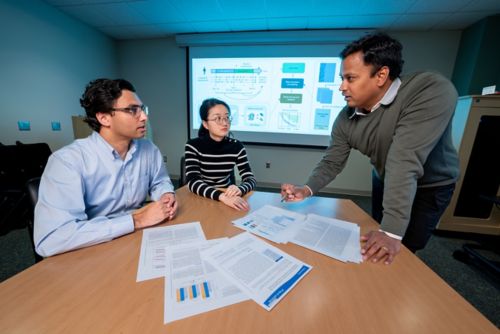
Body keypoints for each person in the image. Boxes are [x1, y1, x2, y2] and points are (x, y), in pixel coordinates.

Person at [281, 33, 459, 264]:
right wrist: (307, 189)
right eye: (341, 78)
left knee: (403, 248)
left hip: (432, 185)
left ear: (381, 75)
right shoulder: (345, 119)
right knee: (375, 238)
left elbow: (403, 160)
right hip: (387, 178)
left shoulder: (429, 90)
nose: (342, 87)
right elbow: (332, 162)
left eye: (350, 78)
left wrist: (392, 232)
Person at [34, 79, 177, 257]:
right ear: (104, 118)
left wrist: (165, 194)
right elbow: (51, 238)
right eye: (132, 110)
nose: (144, 117)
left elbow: (159, 181)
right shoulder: (68, 161)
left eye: (142, 109)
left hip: (138, 238)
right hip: (94, 246)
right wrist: (136, 220)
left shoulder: (148, 149)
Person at [184, 98, 256, 211]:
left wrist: (240, 189)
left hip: (227, 197)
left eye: (227, 117)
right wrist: (221, 197)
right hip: (201, 197)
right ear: (205, 124)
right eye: (217, 118)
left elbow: (250, 179)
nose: (224, 122)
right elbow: (193, 182)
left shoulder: (237, 146)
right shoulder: (193, 146)